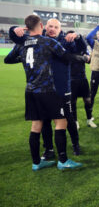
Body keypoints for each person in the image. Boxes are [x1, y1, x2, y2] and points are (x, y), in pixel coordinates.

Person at [4, 15, 83, 170]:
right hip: (47, 90)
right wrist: (84, 58)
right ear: (41, 25)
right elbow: (67, 57)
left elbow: (8, 59)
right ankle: (63, 160)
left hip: (30, 90)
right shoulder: (48, 42)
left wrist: (23, 58)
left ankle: (36, 163)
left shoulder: (22, 44)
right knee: (61, 122)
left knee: (36, 125)